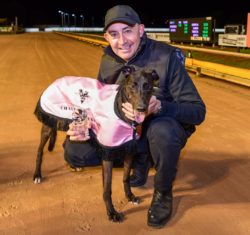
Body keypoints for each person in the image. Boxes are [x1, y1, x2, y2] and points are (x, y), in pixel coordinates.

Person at [64, 5, 206, 228]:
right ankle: (139, 160)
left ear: (141, 30)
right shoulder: (108, 60)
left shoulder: (166, 57)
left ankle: (162, 193)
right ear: (106, 37)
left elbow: (198, 111)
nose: (122, 41)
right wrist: (85, 124)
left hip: (159, 126)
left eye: (128, 31)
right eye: (114, 34)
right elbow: (97, 102)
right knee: (74, 151)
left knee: (163, 132)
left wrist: (159, 107)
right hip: (126, 130)